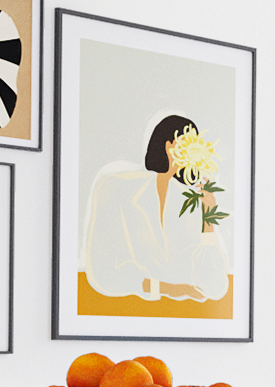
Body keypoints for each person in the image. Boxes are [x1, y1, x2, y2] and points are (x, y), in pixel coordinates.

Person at [79, 111, 230, 302]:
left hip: (179, 316)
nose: (195, 152)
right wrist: (166, 288)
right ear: (168, 146)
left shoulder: (188, 204)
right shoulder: (117, 188)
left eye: (198, 145)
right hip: (121, 308)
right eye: (188, 144)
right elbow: (104, 272)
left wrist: (208, 219)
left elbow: (213, 286)